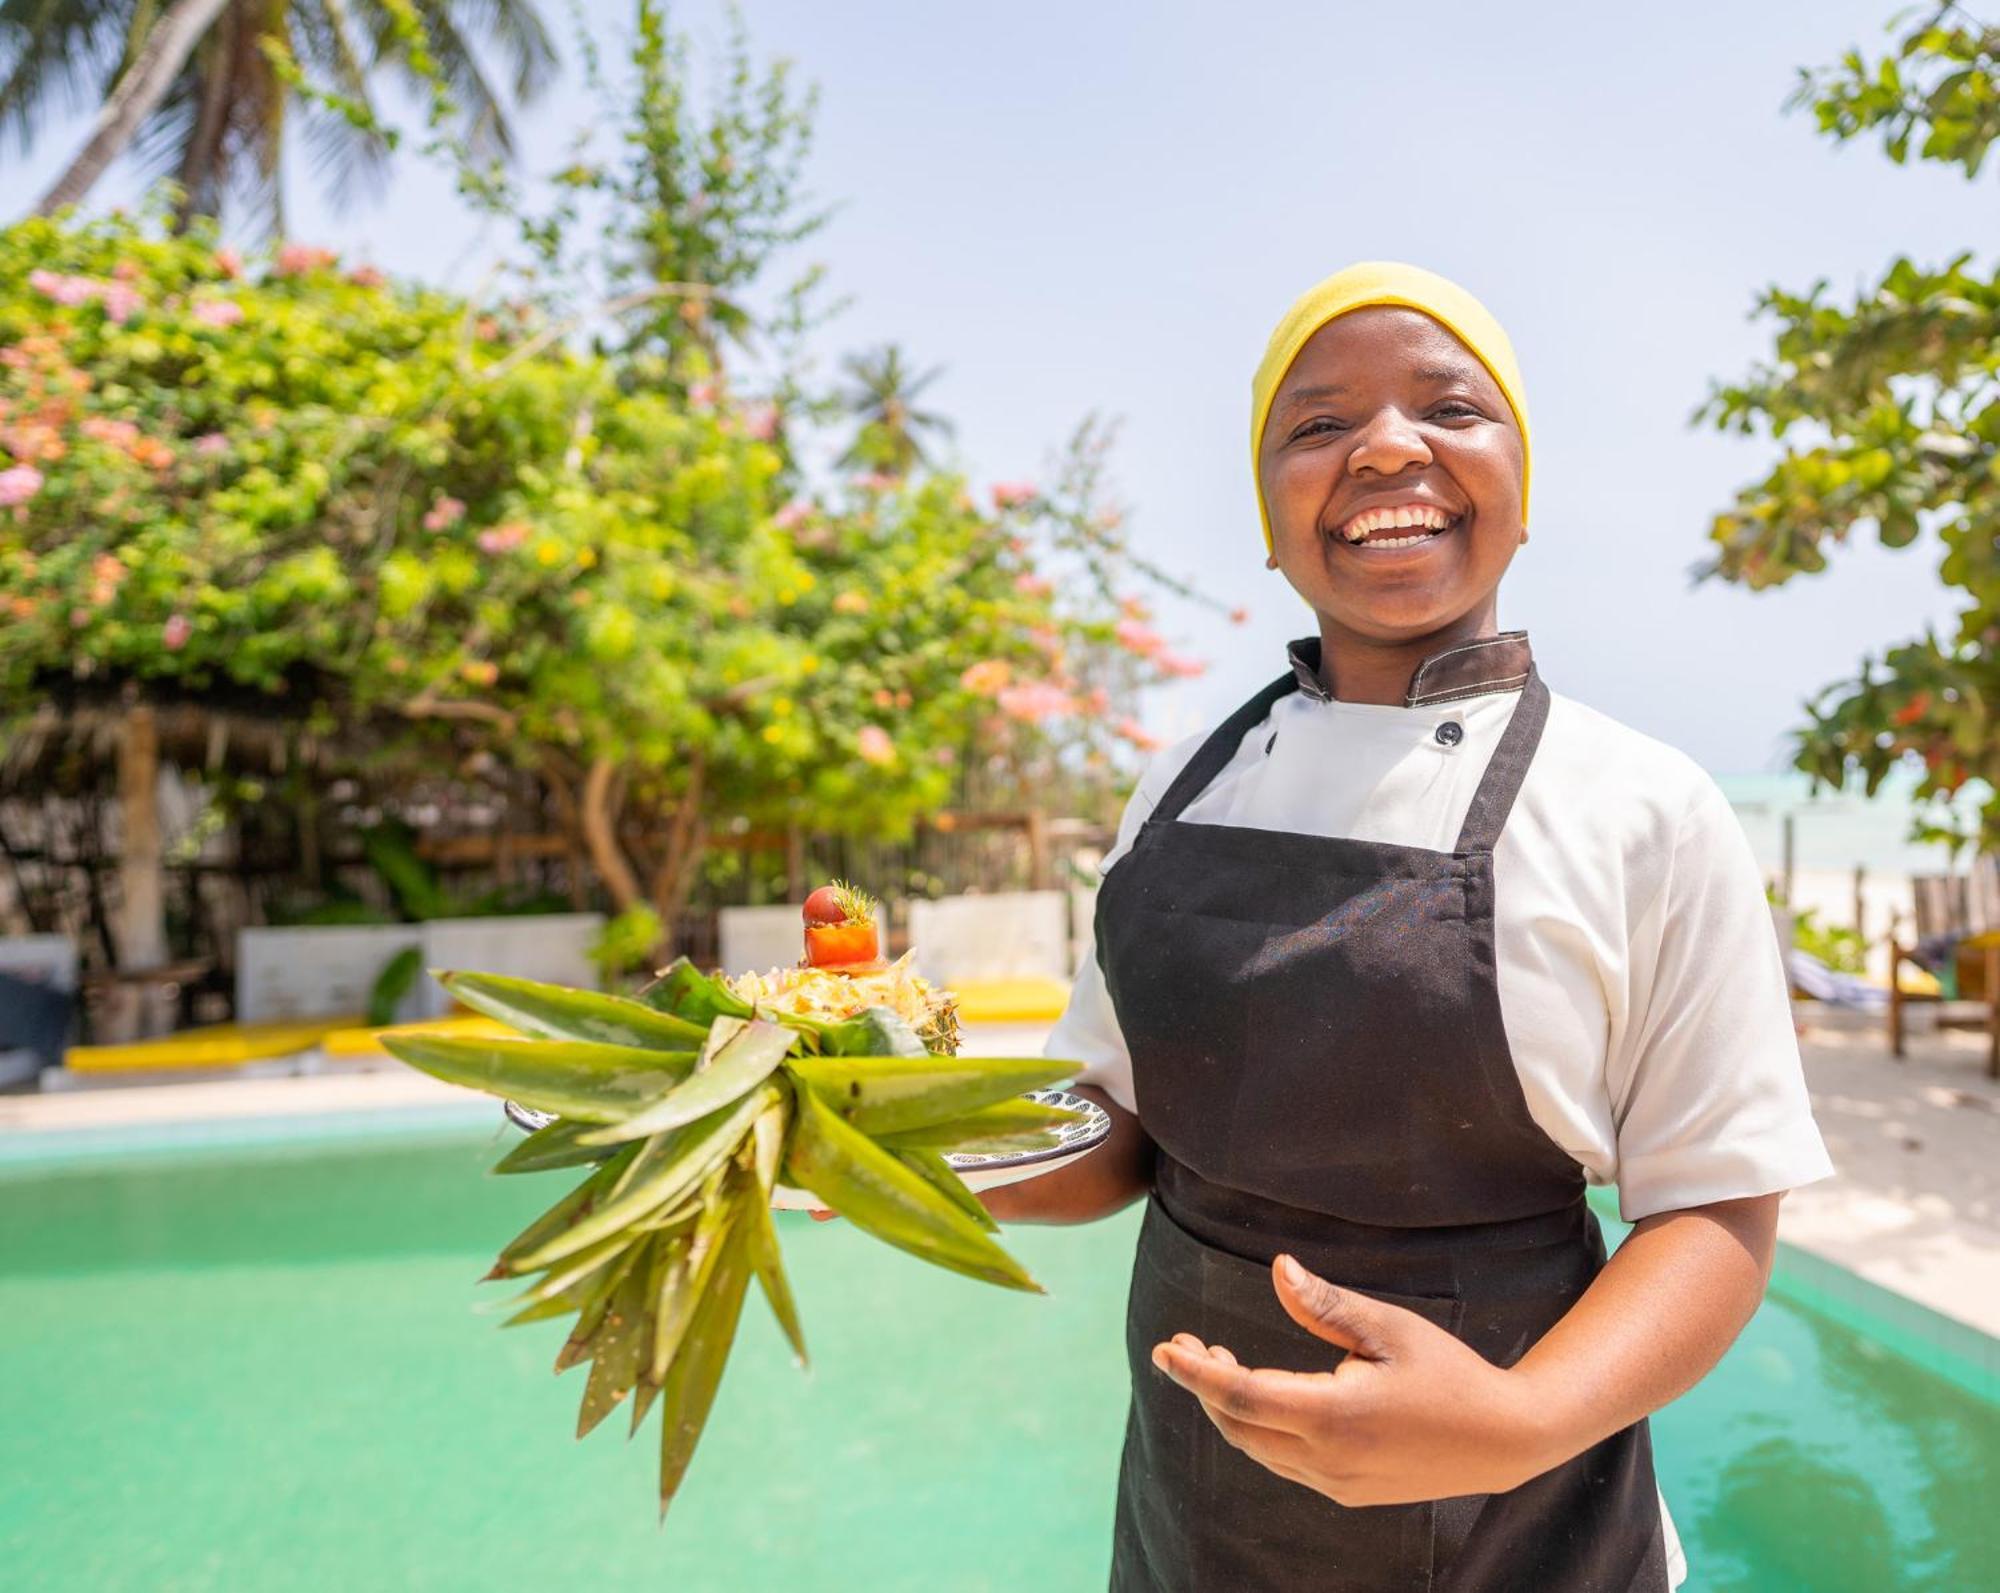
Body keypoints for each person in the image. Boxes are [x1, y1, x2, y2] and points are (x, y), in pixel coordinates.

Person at [984, 262, 1833, 1592]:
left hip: (1531, 1537)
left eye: (1450, 408)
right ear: (1269, 519)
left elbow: (1717, 1209)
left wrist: (1518, 1424)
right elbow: (1114, 1122)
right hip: (1195, 1524)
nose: (1386, 446)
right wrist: (909, 1149)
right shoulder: (1176, 788)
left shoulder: (1644, 808)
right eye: (1317, 426)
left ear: (1522, 486)